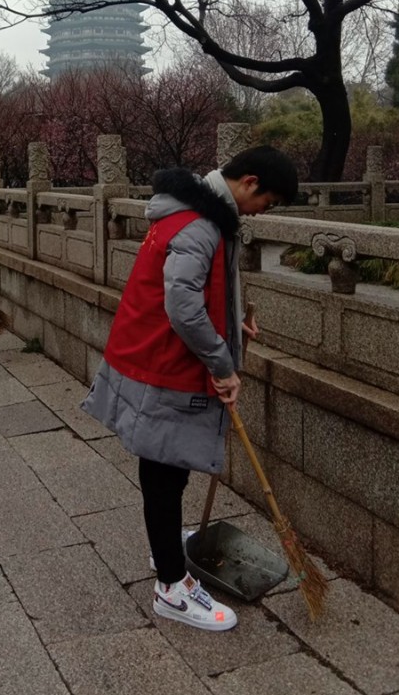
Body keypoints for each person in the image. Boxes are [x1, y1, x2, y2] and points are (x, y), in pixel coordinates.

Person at [81, 146, 298, 632]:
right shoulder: (201, 224)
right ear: (249, 182)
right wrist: (222, 364)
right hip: (164, 364)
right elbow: (182, 305)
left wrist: (234, 320)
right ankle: (172, 588)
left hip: (152, 353)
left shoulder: (191, 212)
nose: (266, 211)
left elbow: (199, 290)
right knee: (162, 472)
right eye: (271, 200)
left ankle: (168, 551)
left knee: (167, 471)